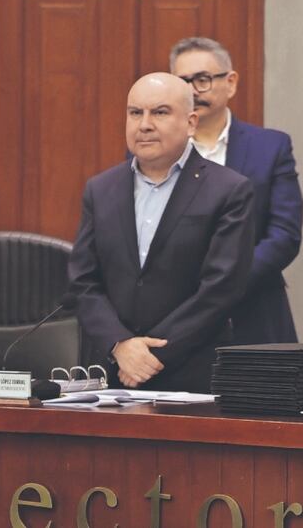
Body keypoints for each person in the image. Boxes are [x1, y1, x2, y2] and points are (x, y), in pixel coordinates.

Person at [69, 73, 255, 392]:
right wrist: (120, 344)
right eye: (135, 113)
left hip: (191, 373)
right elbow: (83, 281)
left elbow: (221, 288)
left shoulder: (229, 190)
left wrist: (148, 356)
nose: (144, 124)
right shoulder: (101, 189)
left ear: (191, 122)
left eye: (160, 112)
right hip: (110, 375)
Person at [169, 37, 303, 344]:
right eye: (182, 81)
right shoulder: (157, 151)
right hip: (173, 315)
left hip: (254, 309)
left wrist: (222, 284)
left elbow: (285, 234)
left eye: (202, 80)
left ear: (230, 83)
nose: (191, 90)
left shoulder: (270, 146)